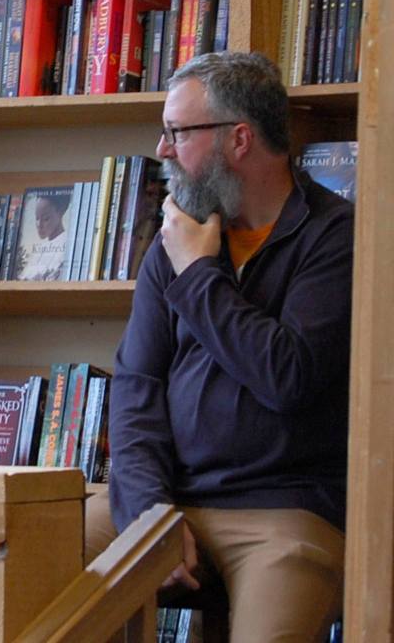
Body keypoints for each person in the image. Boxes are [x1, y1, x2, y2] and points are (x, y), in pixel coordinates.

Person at [86, 52, 352, 641]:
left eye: (178, 132)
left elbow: (288, 377)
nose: (162, 149)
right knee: (25, 567)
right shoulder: (175, 239)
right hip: (168, 499)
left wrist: (199, 275)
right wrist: (149, 511)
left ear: (239, 138)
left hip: (286, 513)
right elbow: (136, 388)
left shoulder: (336, 236)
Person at [17, 189, 72, 281]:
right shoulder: (39, 250)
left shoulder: (67, 243)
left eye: (46, 218)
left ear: (60, 212)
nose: (39, 225)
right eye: (37, 218)